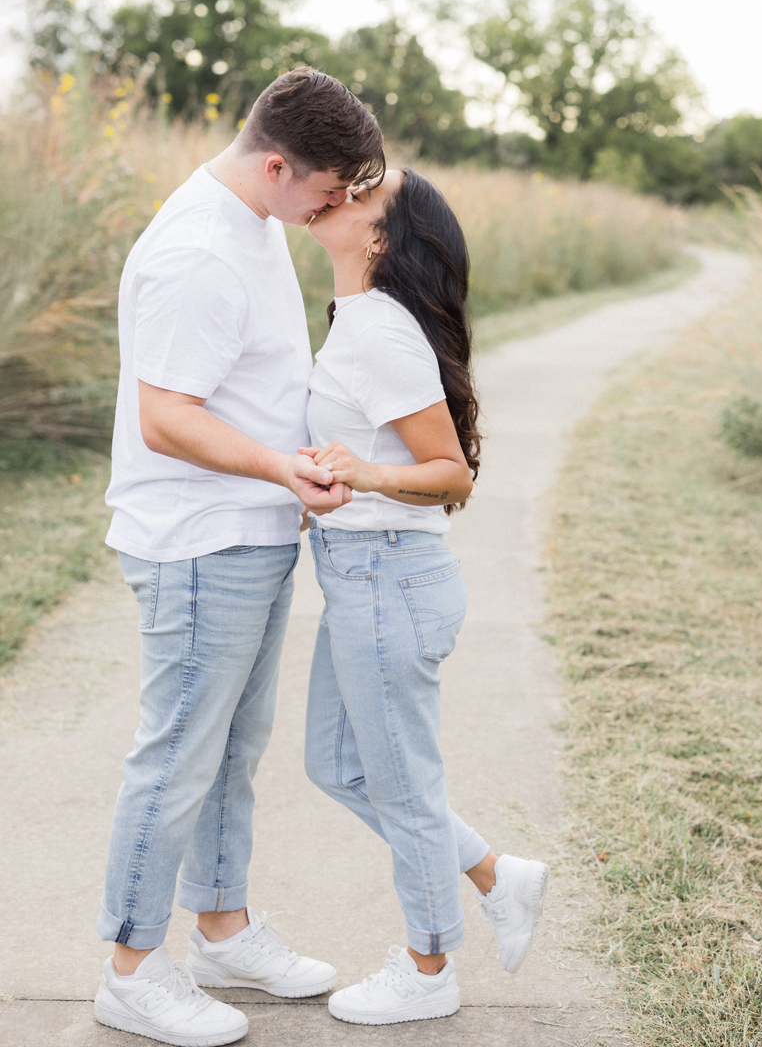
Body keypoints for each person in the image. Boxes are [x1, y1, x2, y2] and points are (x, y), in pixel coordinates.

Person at [93, 68, 383, 1047]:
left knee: (230, 753)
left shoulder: (255, 221)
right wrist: (280, 469)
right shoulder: (197, 254)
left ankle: (221, 927)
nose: (332, 209)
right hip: (195, 545)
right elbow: (166, 417)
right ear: (275, 163)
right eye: (326, 191)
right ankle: (130, 970)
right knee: (176, 758)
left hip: (248, 532)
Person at [302, 167, 551, 1026]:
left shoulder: (382, 334)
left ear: (381, 238)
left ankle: (429, 967)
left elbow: (451, 475)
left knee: (403, 783)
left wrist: (366, 475)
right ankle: (493, 875)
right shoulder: (359, 323)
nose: (344, 192)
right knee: (336, 764)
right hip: (364, 577)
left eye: (368, 194)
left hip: (390, 580)